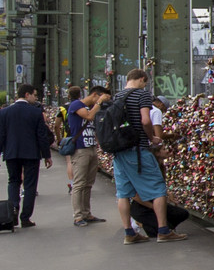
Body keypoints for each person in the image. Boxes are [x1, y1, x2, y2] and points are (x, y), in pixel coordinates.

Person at [106, 70, 184, 244]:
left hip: (119, 151)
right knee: (158, 189)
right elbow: (145, 120)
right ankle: (163, 231)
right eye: (145, 82)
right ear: (142, 79)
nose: (145, 85)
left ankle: (129, 233)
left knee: (123, 193)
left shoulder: (117, 96)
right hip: (137, 150)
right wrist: (152, 138)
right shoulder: (141, 95)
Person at [0, 84, 55, 228]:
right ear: (27, 94)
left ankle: (13, 210)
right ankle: (25, 217)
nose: (36, 98)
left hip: (11, 153)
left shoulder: (4, 112)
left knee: (13, 181)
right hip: (31, 154)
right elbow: (41, 136)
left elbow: (0, 136)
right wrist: (47, 155)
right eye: (35, 95)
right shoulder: (35, 112)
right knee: (30, 185)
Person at [63, 85, 109, 226]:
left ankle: (86, 213)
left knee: (88, 183)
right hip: (80, 149)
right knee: (79, 183)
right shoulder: (76, 104)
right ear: (95, 95)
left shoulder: (91, 108)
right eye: (99, 98)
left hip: (90, 147)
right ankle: (78, 216)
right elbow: (88, 117)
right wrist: (100, 103)